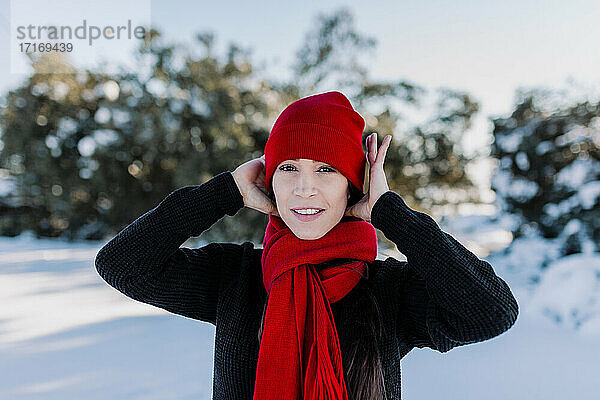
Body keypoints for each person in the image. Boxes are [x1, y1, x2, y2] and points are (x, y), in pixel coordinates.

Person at [95, 91, 519, 400]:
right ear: (268, 178)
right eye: (289, 167)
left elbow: (491, 312)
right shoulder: (237, 277)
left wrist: (391, 213)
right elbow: (121, 264)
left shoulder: (388, 289)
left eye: (325, 170)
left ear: (354, 185)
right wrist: (223, 193)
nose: (303, 189)